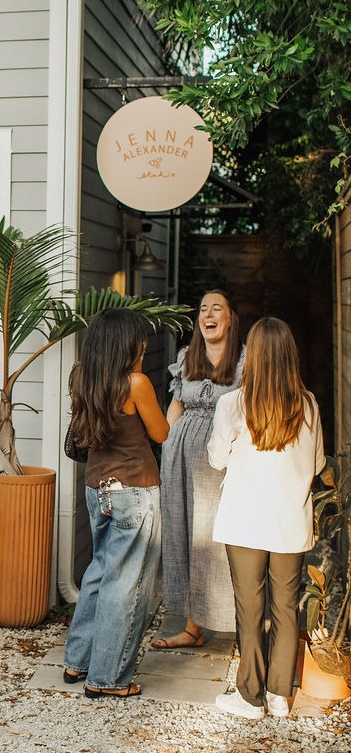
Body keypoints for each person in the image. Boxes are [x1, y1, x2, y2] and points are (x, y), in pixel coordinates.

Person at [208, 317, 325, 721]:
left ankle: (249, 696)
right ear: (290, 356)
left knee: (250, 608)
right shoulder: (308, 405)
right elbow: (317, 464)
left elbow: (216, 459)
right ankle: (278, 696)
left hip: (244, 522)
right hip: (290, 522)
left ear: (253, 356)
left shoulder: (232, 405)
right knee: (287, 608)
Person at [63, 309, 170, 699]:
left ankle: (78, 661)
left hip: (97, 488)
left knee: (99, 573)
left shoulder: (81, 377)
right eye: (140, 338)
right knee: (126, 584)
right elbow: (161, 432)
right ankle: (107, 678)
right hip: (134, 490)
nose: (144, 344)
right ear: (128, 343)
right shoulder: (135, 383)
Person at [153, 290, 243, 649]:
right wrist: (165, 447)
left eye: (217, 308)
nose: (208, 314)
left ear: (230, 319)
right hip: (179, 457)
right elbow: (176, 406)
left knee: (219, 539)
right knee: (185, 534)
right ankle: (192, 627)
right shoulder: (186, 357)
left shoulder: (245, 361)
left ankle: (238, 624)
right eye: (204, 309)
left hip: (221, 460)